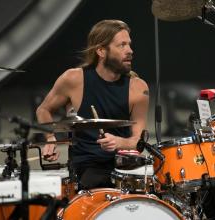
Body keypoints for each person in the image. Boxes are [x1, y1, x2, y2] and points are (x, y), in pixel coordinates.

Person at [36, 19, 149, 189]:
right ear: (101, 51)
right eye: (122, 45)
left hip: (124, 167)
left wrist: (119, 142)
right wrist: (50, 138)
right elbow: (43, 109)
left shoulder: (138, 88)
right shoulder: (74, 79)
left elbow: (138, 141)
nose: (130, 51)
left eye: (129, 45)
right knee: (95, 182)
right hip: (87, 167)